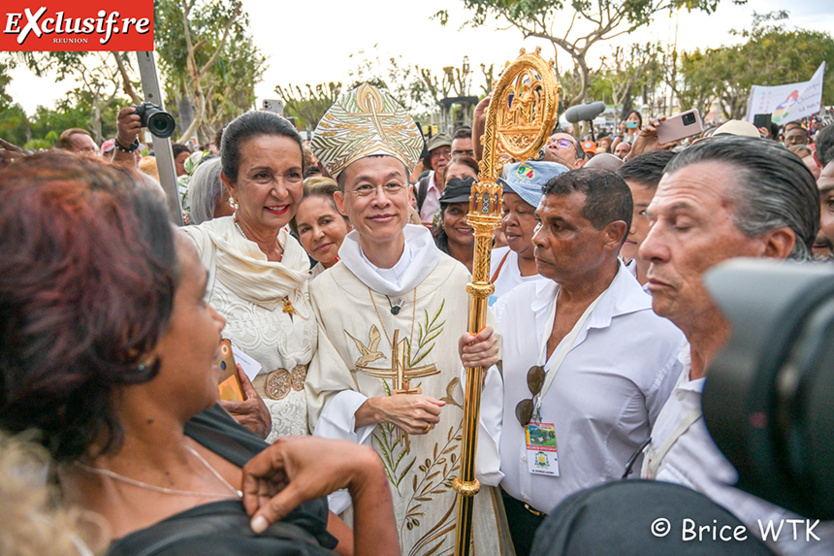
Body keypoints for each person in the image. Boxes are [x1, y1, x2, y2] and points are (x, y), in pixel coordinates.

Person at [0, 151, 398, 556]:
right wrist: (367, 479)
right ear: (132, 335)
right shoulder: (208, 547)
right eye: (196, 300)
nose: (218, 320)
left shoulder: (198, 422)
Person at [307, 82, 506, 555]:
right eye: (364, 188)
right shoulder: (321, 293)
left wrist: (491, 355)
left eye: (392, 185)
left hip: (451, 483)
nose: (381, 200)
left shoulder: (457, 277)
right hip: (369, 490)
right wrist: (374, 408)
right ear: (341, 202)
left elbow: (485, 383)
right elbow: (318, 395)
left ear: (410, 193)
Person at [638, 135, 833, 554]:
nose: (649, 247)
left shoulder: (804, 421)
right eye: (652, 220)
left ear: (770, 248)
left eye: (682, 225)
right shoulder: (681, 357)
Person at [476, 168, 685, 555]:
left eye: (559, 227)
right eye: (540, 221)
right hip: (505, 522)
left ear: (611, 234)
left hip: (595, 538)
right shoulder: (514, 306)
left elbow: (672, 458)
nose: (538, 239)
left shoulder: (658, 333)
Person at [181, 111, 313, 442]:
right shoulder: (199, 248)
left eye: (293, 175)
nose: (281, 192)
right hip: (234, 446)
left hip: (311, 445)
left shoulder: (298, 255)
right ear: (230, 184)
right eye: (262, 176)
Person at [490, 160, 569, 303]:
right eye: (505, 210)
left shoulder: (571, 278)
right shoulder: (489, 263)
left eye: (522, 211)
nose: (509, 220)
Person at [617, 151, 677, 287]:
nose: (628, 227)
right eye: (623, 207)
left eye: (645, 213)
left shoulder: (697, 297)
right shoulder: (609, 280)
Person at [291, 177, 352, 280]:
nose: (317, 235)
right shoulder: (306, 291)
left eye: (325, 221)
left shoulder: (384, 265)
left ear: (349, 219)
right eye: (306, 229)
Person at [432, 176, 475, 272]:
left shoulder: (498, 261)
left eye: (473, 212)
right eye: (455, 211)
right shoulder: (429, 263)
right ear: (442, 218)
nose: (465, 220)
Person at [415, 133, 452, 223]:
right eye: (436, 154)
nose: (441, 158)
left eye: (447, 152)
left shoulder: (464, 187)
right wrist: (420, 227)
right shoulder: (420, 188)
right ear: (430, 161)